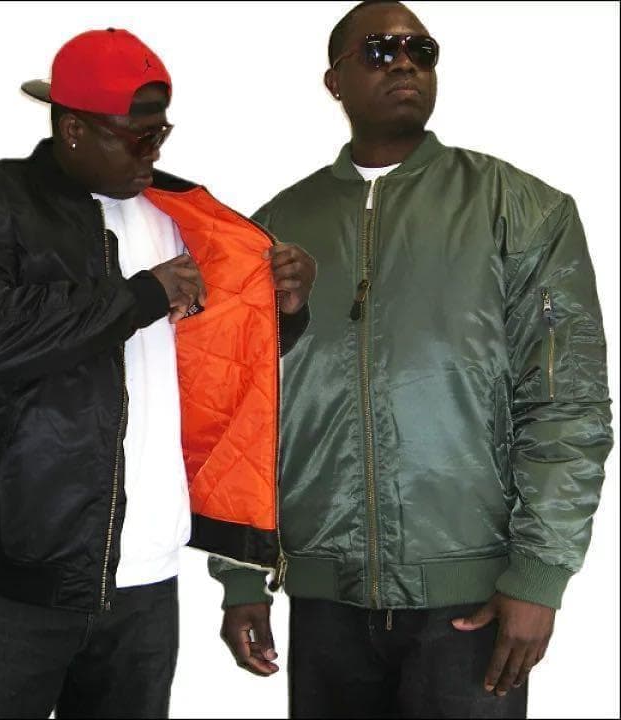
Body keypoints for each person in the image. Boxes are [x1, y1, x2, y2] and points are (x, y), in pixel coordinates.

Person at [210, 2, 613, 718]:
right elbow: (241, 411)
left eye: (420, 51)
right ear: (334, 80)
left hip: (472, 601)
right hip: (325, 599)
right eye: (378, 50)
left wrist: (539, 574)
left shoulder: (521, 210)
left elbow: (567, 400)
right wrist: (242, 573)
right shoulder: (273, 230)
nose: (403, 63)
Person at [0, 27, 315, 719]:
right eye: (139, 137)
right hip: (15, 580)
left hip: (147, 579)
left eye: (162, 132)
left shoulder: (179, 213)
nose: (155, 152)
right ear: (73, 128)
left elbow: (217, 361)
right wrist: (138, 296)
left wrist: (287, 311)